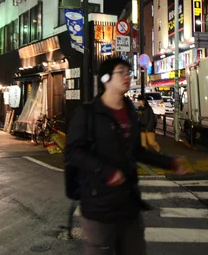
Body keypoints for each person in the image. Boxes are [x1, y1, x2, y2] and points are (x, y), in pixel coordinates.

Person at [65, 57, 187, 255]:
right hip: (98, 207)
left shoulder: (130, 111)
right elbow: (73, 153)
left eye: (128, 72)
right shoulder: (87, 113)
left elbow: (136, 151)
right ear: (105, 79)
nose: (127, 76)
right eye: (120, 71)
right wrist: (106, 172)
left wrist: (169, 162)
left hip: (128, 203)